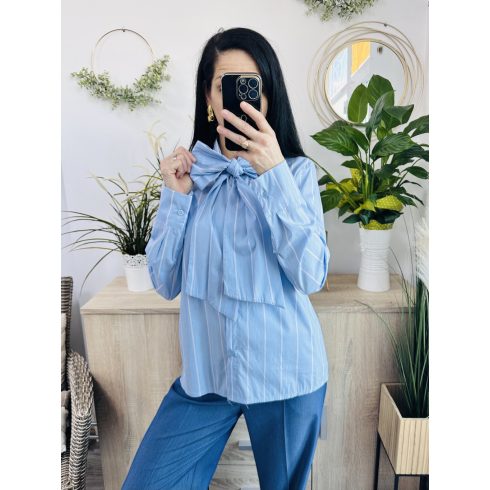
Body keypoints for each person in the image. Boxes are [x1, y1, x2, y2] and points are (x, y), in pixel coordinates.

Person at [122, 26, 331, 490]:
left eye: (251, 86)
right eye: (225, 86)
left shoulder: (296, 174)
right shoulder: (189, 177)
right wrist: (176, 198)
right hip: (208, 377)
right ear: (208, 97)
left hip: (286, 373)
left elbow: (311, 275)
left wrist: (274, 174)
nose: (239, 99)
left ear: (268, 96)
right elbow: (164, 282)